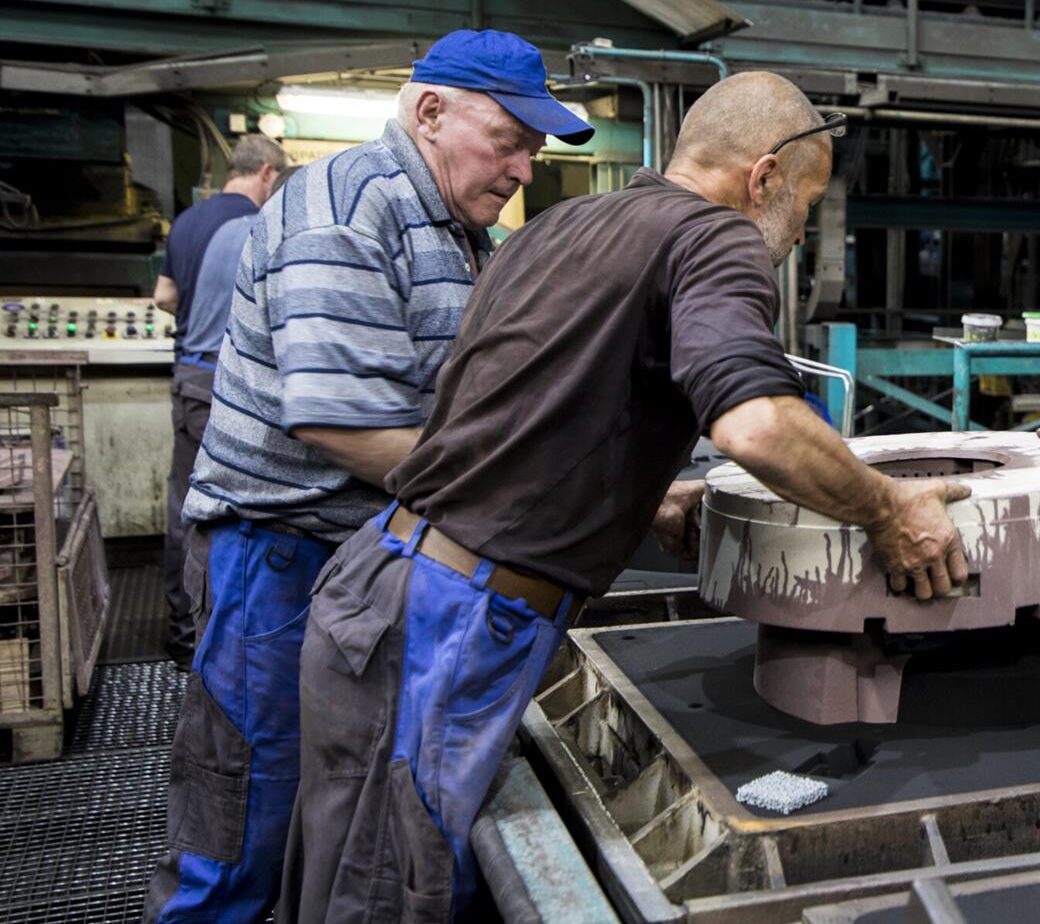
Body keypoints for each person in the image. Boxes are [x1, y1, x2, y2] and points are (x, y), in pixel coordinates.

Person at [281, 71, 970, 923]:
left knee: (355, 882)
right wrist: (889, 510)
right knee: (386, 900)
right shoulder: (715, 239)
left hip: (383, 588)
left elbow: (504, 418)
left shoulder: (561, 227)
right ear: (763, 178)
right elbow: (754, 425)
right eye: (805, 204)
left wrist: (645, 499)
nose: (795, 237)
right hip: (449, 626)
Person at [143, 30, 593, 924]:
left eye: (533, 151)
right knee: (242, 830)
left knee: (344, 822)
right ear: (430, 111)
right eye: (508, 139)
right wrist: (519, 497)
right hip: (278, 559)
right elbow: (342, 423)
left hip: (369, 557)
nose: (521, 169)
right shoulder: (350, 209)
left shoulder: (463, 237)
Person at [154, 135, 290, 669]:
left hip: (187, 372)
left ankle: (183, 634)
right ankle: (218, 646)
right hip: (220, 383)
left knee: (183, 506)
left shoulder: (190, 220)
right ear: (266, 175)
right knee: (230, 516)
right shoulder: (256, 227)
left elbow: (164, 296)